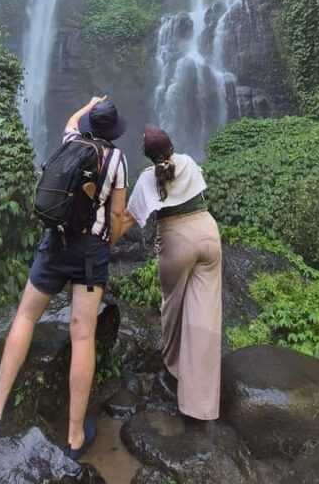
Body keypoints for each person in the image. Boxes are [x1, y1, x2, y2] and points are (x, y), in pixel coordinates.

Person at [0, 96, 128, 459]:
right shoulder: (117, 160)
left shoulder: (71, 141)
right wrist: (107, 246)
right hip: (91, 252)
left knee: (25, 316)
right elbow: (118, 216)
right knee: (83, 334)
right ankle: (74, 437)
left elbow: (72, 119)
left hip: (55, 243)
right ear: (114, 132)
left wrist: (87, 104)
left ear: (91, 124)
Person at [111, 124, 222, 422]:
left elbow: (129, 220)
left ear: (148, 156)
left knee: (172, 310)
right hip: (210, 235)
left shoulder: (148, 179)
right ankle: (203, 404)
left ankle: (174, 370)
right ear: (171, 147)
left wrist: (102, 240)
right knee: (206, 315)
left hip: (177, 241)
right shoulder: (188, 161)